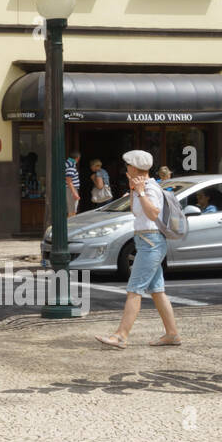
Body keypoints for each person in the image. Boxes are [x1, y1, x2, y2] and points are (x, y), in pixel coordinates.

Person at [97, 149, 181, 349]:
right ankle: (172, 334)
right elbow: (137, 213)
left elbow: (152, 214)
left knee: (134, 290)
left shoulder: (150, 187)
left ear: (134, 167)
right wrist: (134, 190)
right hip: (146, 241)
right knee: (157, 291)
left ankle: (120, 336)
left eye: (128, 165)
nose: (126, 168)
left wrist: (141, 192)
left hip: (151, 242)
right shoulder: (139, 186)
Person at [65, 151, 81, 216]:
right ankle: (70, 226)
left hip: (70, 189)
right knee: (72, 212)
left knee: (71, 211)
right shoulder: (71, 165)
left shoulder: (67, 163)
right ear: (77, 158)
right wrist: (74, 193)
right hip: (70, 189)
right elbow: (69, 180)